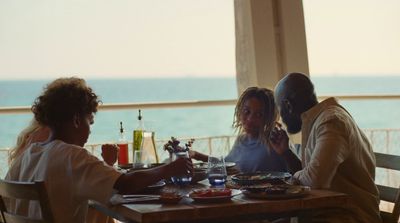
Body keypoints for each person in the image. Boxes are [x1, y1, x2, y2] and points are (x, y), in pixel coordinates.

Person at [5, 77, 193, 223]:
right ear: (77, 120)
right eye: (90, 122)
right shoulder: (72, 156)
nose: (90, 130)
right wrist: (169, 168)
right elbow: (125, 184)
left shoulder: (28, 155)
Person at [270, 72, 381, 223]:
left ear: (288, 105)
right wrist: (286, 152)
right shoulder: (320, 121)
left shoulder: (331, 122)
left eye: (280, 110)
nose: (281, 118)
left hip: (349, 216)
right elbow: (312, 178)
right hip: (325, 213)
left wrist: (290, 179)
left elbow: (314, 180)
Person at [190, 87, 287, 173]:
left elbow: (299, 172)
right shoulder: (242, 139)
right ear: (239, 111)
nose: (250, 119)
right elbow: (226, 165)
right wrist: (194, 154)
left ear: (269, 117)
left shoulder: (276, 140)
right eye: (246, 111)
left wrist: (287, 153)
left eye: (259, 115)